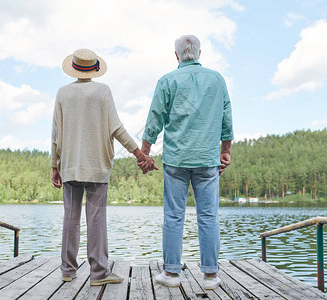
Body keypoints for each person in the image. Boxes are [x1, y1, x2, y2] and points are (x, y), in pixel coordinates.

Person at [51, 48, 157, 286]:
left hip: (69, 165)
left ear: (75, 68)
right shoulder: (103, 92)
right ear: (94, 69)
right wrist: (140, 154)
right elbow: (117, 128)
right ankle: (98, 273)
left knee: (71, 218)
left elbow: (55, 134)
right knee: (96, 219)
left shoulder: (62, 93)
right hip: (97, 166)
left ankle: (67, 270)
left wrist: (54, 165)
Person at [139, 35, 233, 290]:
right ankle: (211, 276)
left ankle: (171, 274)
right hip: (206, 159)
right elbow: (226, 118)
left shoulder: (167, 80)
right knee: (208, 216)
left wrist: (144, 153)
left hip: (176, 160)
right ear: (199, 53)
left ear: (176, 55)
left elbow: (155, 118)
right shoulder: (217, 79)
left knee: (173, 216)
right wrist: (226, 151)